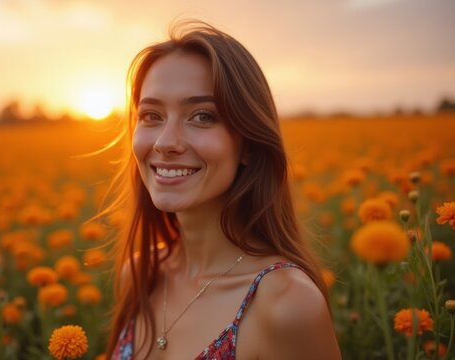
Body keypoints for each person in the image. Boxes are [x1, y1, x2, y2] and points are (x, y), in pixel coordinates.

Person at [104, 20, 341, 359]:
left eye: (202, 116)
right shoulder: (141, 275)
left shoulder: (287, 305)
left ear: (248, 143)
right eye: (151, 115)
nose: (165, 142)